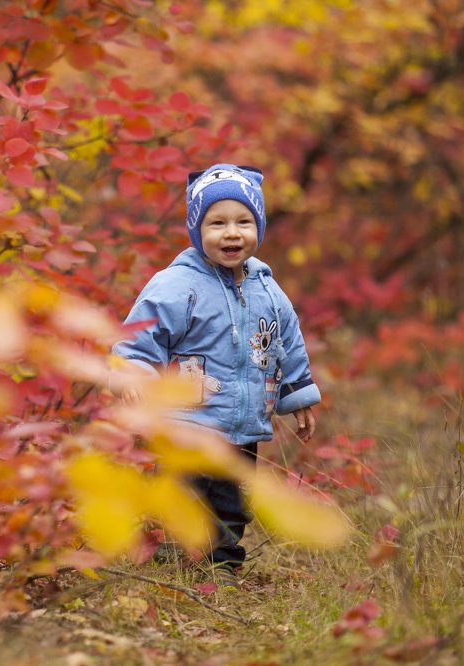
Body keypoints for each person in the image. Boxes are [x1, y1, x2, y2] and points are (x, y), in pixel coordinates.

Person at [112, 163, 321, 575]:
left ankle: (222, 568)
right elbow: (141, 334)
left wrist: (298, 396)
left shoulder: (267, 288)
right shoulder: (177, 284)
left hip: (243, 424)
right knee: (185, 493)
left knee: (232, 500)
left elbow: (287, 344)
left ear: (258, 227)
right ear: (196, 229)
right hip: (187, 422)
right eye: (217, 223)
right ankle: (174, 560)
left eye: (244, 222)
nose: (231, 233)